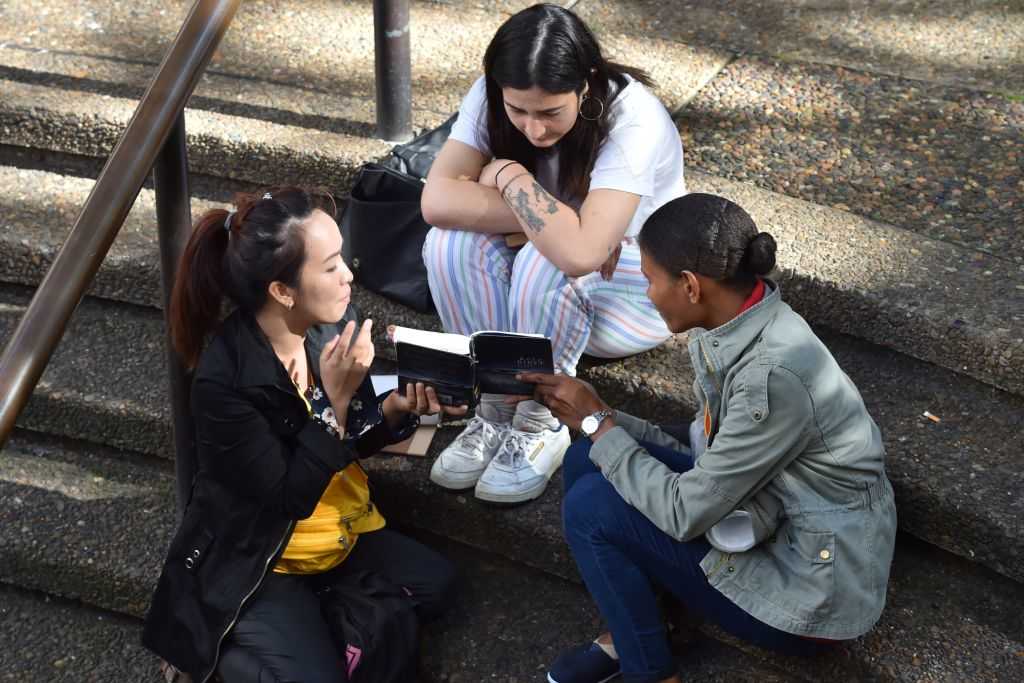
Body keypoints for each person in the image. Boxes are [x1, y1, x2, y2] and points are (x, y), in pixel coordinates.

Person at [515, 194, 898, 683]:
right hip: (771, 514)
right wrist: (599, 418)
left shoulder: (771, 376)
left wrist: (598, 421)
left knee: (592, 506)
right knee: (586, 459)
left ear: (691, 286)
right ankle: (637, 629)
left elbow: (684, 511)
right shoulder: (744, 322)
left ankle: (649, 671)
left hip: (810, 591)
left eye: (650, 279)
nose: (647, 292)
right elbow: (709, 451)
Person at [142, 187, 464, 683]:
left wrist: (396, 409)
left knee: (438, 586)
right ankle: (213, 655)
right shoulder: (225, 380)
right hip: (267, 554)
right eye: (331, 265)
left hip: (337, 529)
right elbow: (285, 495)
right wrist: (333, 403)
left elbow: (351, 437)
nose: (349, 277)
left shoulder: (330, 325)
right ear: (282, 290)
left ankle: (317, 623)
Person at [420, 3, 686, 504]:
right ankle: (496, 402)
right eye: (518, 111)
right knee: (449, 243)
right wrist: (559, 223)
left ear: (585, 83)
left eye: (549, 113)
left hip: (638, 292)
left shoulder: (634, 120)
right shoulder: (494, 92)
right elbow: (437, 201)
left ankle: (543, 420)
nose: (533, 130)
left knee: (547, 259)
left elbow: (581, 253)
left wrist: (506, 175)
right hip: (542, 291)